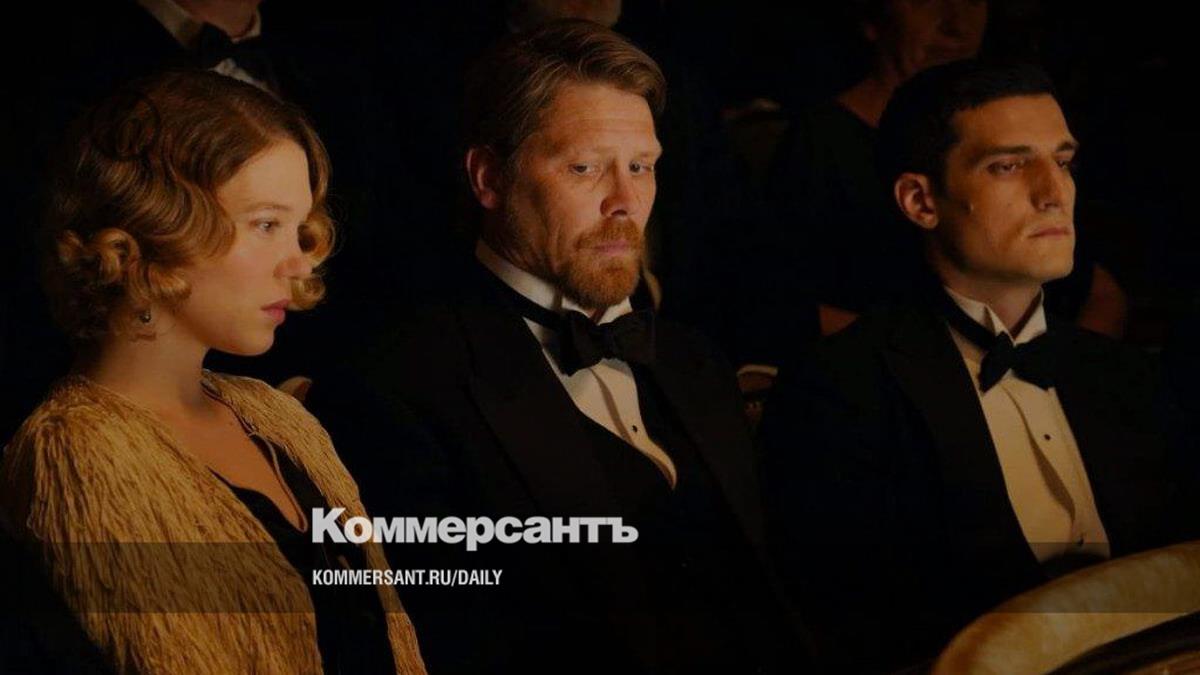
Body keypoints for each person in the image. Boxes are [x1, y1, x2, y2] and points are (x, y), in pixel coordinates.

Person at [307, 19, 804, 674]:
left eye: (641, 167)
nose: (625, 201)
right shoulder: (392, 387)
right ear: (489, 178)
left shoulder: (697, 360)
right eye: (584, 167)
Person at [761, 60, 1197, 672]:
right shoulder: (841, 388)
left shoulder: (1125, 375)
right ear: (920, 200)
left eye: (1063, 161)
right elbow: (859, 631)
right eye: (1008, 166)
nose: (1053, 193)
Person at [0, 70, 426, 675]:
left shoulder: (272, 413)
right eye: (266, 224)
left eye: (299, 227)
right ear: (158, 225)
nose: (300, 264)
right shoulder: (77, 450)